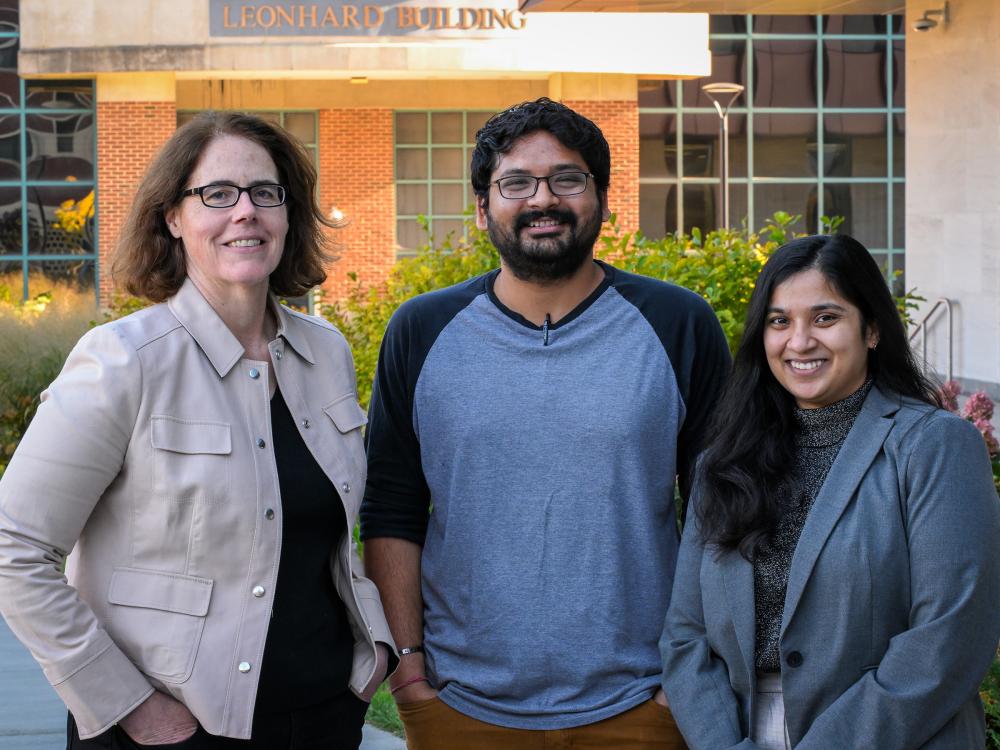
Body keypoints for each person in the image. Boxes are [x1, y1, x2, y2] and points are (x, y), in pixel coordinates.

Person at [0, 112, 394, 749]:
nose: (245, 212)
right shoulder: (123, 360)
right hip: (172, 728)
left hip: (323, 715)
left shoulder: (328, 354)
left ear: (288, 216)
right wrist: (128, 705)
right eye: (216, 194)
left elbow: (334, 533)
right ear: (173, 218)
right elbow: (13, 547)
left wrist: (372, 648)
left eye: (266, 193)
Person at [360, 97, 731, 748]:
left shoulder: (678, 324)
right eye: (516, 183)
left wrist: (684, 677)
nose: (543, 199)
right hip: (459, 707)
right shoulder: (420, 330)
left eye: (567, 178)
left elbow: (723, 507)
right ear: (482, 208)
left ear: (603, 199)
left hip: (645, 702)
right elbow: (392, 507)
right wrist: (408, 668)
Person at [660, 234, 1000, 749]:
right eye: (780, 322)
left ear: (872, 330)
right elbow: (686, 637)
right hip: (743, 732)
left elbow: (950, 638)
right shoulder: (723, 462)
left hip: (898, 735)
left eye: (825, 318)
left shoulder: (935, 446)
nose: (799, 342)